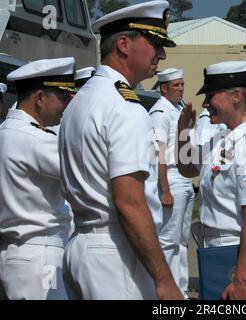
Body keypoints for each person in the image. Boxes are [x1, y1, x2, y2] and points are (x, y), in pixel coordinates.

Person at [59, 0, 182, 300]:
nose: (161, 55)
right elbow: (129, 202)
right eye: (154, 43)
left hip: (83, 246)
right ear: (124, 45)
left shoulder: (81, 100)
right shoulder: (125, 107)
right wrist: (164, 279)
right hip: (116, 253)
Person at [177, 60, 246, 300]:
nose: (205, 104)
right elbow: (188, 168)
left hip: (238, 255)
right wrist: (182, 133)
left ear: (236, 96)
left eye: (211, 96)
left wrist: (241, 280)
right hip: (217, 249)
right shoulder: (223, 137)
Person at [0, 57, 75, 299]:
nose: (67, 105)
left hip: (12, 254)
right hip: (39, 253)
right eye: (63, 97)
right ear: (40, 98)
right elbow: (87, 173)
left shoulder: (6, 132)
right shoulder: (35, 139)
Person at [149, 68, 195, 297]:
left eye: (182, 84)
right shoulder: (160, 112)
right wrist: (164, 189)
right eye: (176, 85)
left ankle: (181, 290)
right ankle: (164, 291)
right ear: (164, 88)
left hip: (183, 177)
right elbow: (159, 152)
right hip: (170, 178)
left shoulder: (178, 109)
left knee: (182, 241)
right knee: (168, 240)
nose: (181, 89)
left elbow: (185, 149)